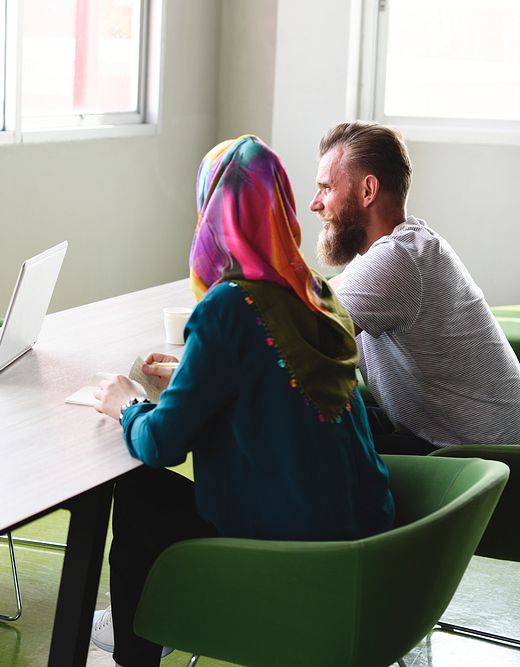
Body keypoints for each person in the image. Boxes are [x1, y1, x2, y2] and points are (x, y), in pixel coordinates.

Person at [90, 136, 395, 666]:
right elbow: (276, 384)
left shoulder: (229, 305)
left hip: (286, 550)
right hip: (366, 541)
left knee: (140, 489)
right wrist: (197, 377)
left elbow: (161, 443)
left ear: (211, 211)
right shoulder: (317, 294)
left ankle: (135, 649)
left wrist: (128, 404)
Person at [312, 121, 520, 454]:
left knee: (310, 442)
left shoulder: (398, 259)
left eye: (326, 188)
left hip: (474, 454)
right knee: (319, 418)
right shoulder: (396, 251)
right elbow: (318, 295)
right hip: (435, 432)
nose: (315, 204)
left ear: (368, 191)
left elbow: (308, 335)